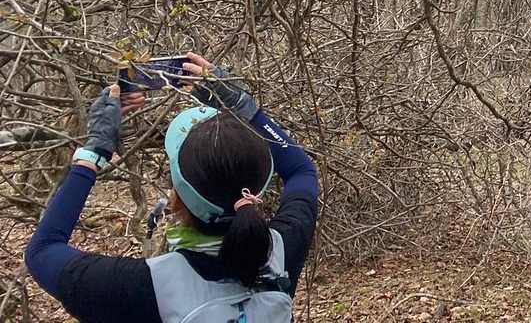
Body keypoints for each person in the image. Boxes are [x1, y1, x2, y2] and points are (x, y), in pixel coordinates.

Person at [26, 53, 319, 323]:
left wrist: (95, 150)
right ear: (259, 186)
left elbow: (42, 251)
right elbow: (301, 171)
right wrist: (243, 106)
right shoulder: (281, 252)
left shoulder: (142, 286)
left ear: (177, 196)